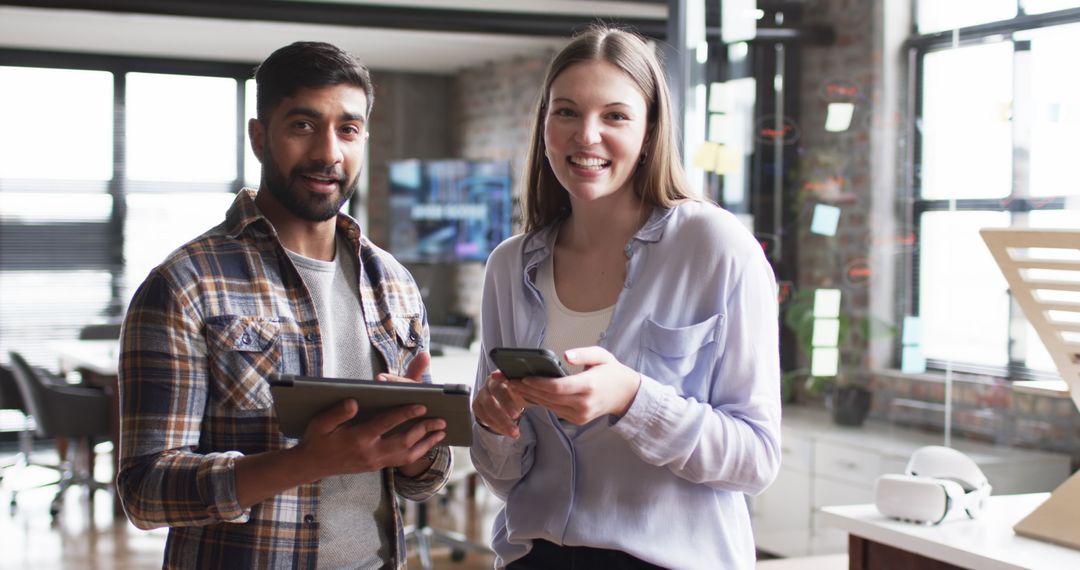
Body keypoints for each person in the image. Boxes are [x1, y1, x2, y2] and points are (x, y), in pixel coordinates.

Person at [117, 41, 451, 569]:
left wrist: (419, 442)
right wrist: (303, 463)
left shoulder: (395, 283)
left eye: (348, 129)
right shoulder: (185, 284)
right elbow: (145, 491)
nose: (328, 152)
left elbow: (421, 481)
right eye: (302, 125)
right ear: (259, 137)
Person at [469, 26, 781, 569]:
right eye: (565, 112)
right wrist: (497, 426)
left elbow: (756, 460)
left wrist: (634, 400)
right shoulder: (509, 265)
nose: (586, 136)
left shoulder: (715, 246)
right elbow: (504, 475)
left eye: (614, 116)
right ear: (544, 124)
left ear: (650, 129)